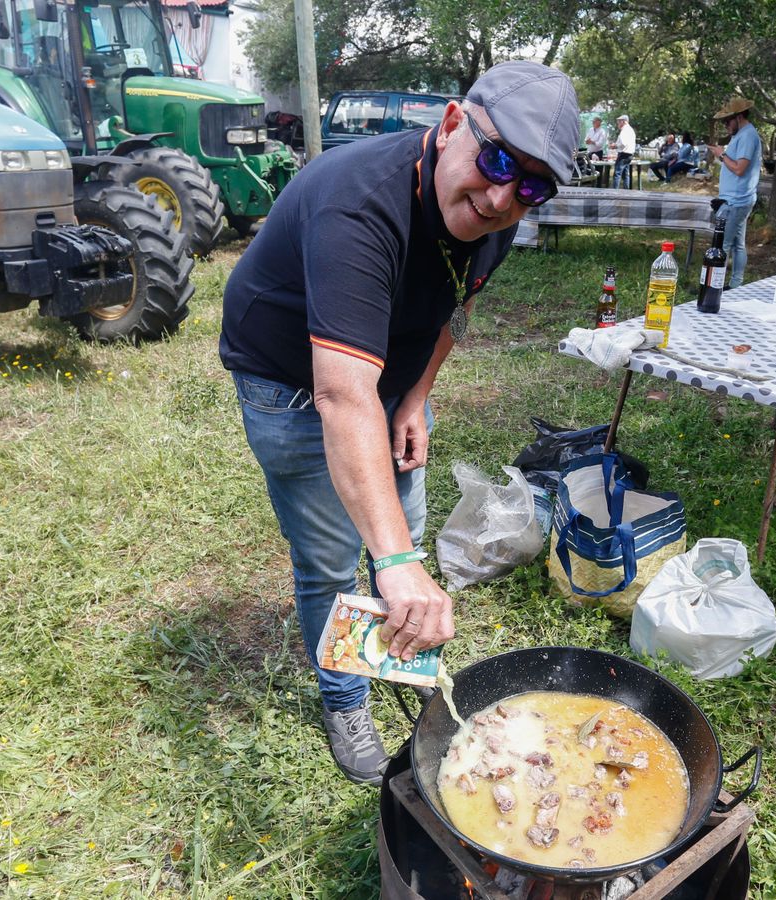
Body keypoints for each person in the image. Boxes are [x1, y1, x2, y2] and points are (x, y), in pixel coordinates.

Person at [219, 61, 579, 785]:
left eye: (532, 186)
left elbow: (456, 302)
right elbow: (341, 397)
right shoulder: (358, 204)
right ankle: (343, 696)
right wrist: (392, 563)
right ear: (452, 124)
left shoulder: (494, 214)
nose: (504, 194)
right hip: (291, 380)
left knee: (402, 533)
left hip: (383, 375)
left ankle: (392, 648)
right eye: (498, 159)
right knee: (335, 560)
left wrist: (413, 399)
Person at [708, 97, 762, 287]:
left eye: (727, 121)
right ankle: (735, 286)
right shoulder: (742, 134)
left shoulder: (748, 135)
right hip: (735, 199)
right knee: (738, 245)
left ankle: (715, 288)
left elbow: (740, 168)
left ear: (738, 117)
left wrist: (721, 154)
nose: (725, 125)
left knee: (722, 246)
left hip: (737, 201)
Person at [611, 113, 636, 188]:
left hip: (623, 154)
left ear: (624, 121)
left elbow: (623, 143)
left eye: (619, 121)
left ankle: (614, 192)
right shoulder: (630, 129)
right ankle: (626, 191)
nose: (618, 123)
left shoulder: (625, 130)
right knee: (625, 174)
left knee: (617, 174)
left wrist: (615, 145)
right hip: (630, 154)